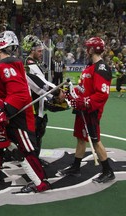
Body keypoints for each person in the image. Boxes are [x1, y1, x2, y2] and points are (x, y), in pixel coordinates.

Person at [0, 31, 51, 193]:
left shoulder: (6, 66)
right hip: (6, 116)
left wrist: (3, 112)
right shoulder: (6, 66)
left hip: (17, 119)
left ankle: (40, 183)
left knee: (24, 151)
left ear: (2, 46)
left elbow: (19, 94)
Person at [57, 37, 115, 183]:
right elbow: (83, 89)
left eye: (87, 47)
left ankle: (108, 171)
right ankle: (76, 167)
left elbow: (101, 95)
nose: (85, 50)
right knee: (81, 137)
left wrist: (84, 102)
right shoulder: (89, 67)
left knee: (95, 140)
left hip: (91, 111)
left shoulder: (101, 68)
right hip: (83, 109)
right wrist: (70, 93)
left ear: (92, 49)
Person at [22, 35, 66, 166]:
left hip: (38, 105)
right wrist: (56, 92)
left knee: (38, 133)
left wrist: (52, 97)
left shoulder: (34, 64)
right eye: (39, 51)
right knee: (33, 135)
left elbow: (42, 85)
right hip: (32, 107)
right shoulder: (28, 65)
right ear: (31, 50)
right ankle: (31, 162)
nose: (41, 53)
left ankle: (34, 159)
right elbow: (41, 84)